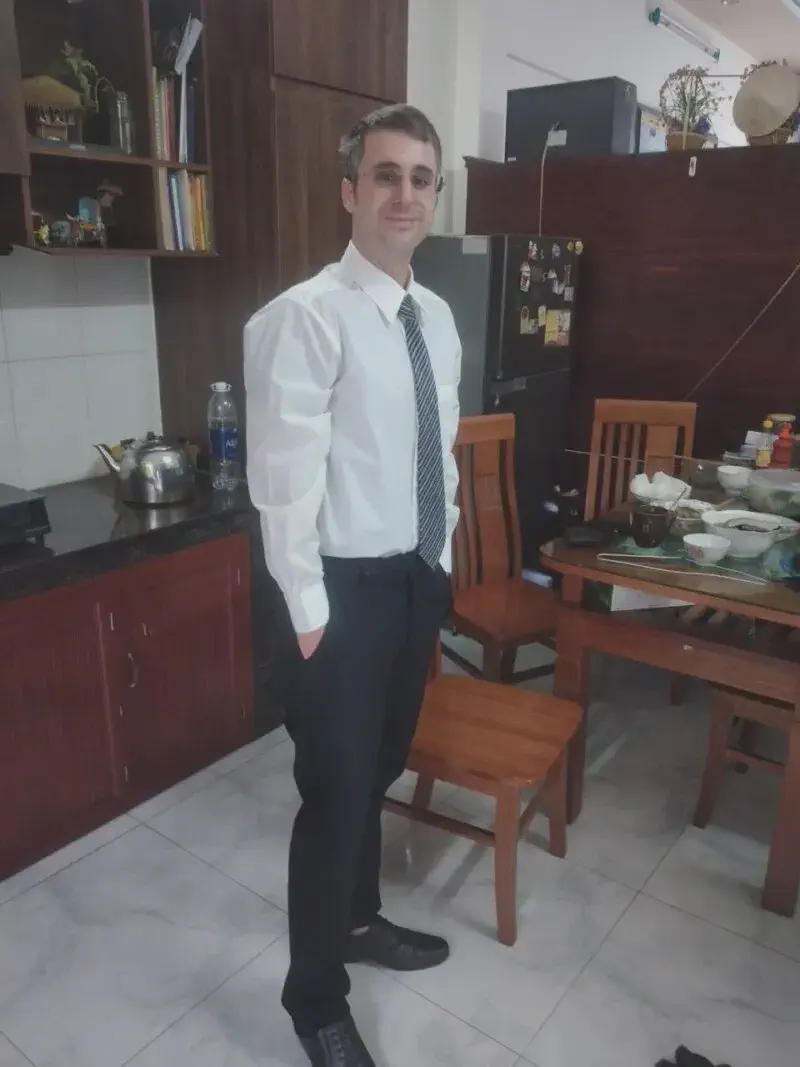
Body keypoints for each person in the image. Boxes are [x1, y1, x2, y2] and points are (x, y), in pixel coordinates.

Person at [244, 104, 462, 1067]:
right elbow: (285, 483)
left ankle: (362, 919)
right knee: (335, 796)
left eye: (421, 176)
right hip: (333, 593)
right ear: (350, 190)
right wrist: (306, 613)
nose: (404, 193)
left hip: (414, 581)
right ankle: (314, 998)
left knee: (377, 772)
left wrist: (442, 559)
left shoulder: (439, 318)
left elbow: (437, 453)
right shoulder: (301, 318)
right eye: (386, 174)